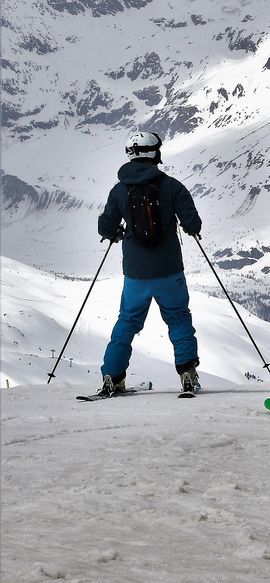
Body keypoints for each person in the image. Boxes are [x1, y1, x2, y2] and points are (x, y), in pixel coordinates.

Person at [96, 131, 203, 395]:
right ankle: (187, 372)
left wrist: (116, 233)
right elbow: (193, 222)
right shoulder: (171, 185)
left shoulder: (120, 190)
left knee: (127, 321)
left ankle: (113, 376)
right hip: (169, 270)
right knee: (178, 318)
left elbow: (105, 226)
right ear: (154, 153)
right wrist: (189, 227)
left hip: (136, 273)